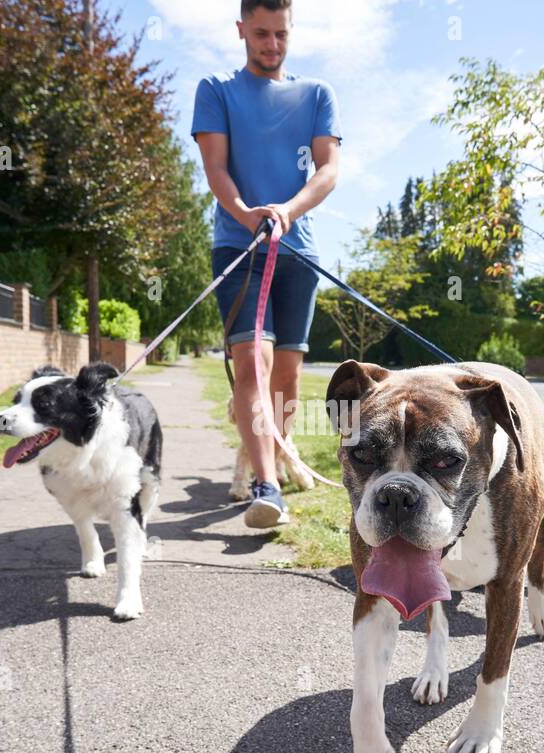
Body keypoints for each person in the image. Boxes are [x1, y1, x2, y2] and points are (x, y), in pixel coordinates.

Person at [191, 0, 342, 529]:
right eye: (260, 33)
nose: (271, 44)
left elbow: (327, 170)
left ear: (291, 31)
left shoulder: (317, 94)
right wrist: (247, 213)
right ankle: (266, 485)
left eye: (280, 34)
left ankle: (275, 454)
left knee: (287, 374)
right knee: (252, 360)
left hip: (298, 250)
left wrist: (286, 211)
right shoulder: (216, 90)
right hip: (239, 246)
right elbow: (215, 168)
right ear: (241, 31)